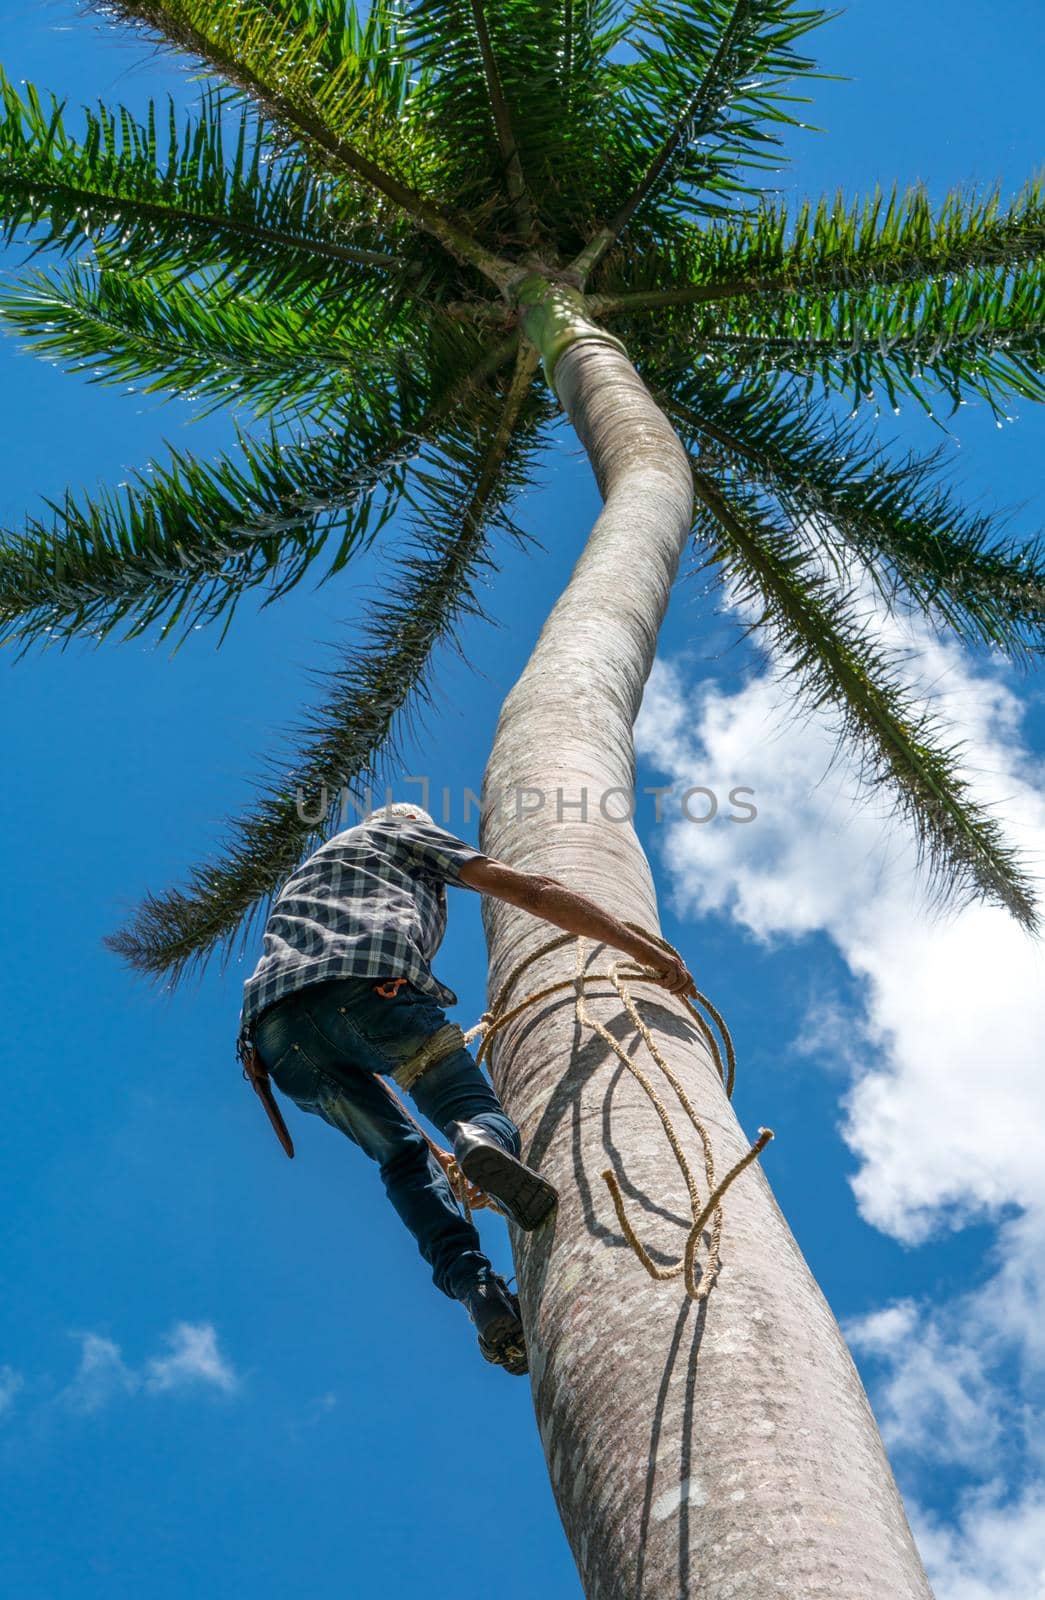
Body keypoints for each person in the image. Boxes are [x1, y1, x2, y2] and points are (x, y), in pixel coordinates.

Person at [237, 803, 695, 1375]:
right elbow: (528, 891)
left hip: (278, 1042)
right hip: (368, 989)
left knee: (401, 1159)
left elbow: (327, 1021)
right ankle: (482, 1139)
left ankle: (479, 1292)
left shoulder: (306, 881)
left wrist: (433, 1149)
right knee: (468, 1107)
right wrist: (644, 950)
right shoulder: (399, 831)